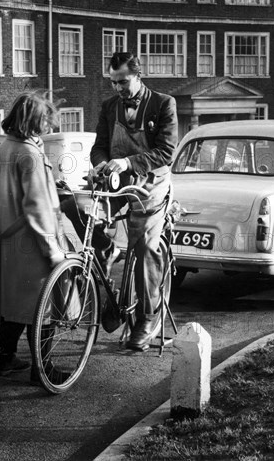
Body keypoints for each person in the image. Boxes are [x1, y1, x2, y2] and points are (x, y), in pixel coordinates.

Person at [62, 52, 178, 350]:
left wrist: (127, 162)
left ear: (138, 76)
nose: (118, 89)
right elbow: (99, 147)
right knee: (74, 205)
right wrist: (101, 163)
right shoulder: (109, 105)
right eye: (113, 83)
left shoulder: (163, 104)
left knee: (144, 250)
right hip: (114, 182)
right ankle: (106, 248)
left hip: (150, 187)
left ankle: (146, 320)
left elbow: (166, 152)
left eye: (123, 82)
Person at [0, 91, 66, 381]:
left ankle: (6, 358)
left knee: (13, 305)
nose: (48, 128)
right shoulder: (30, 154)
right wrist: (52, 249)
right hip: (32, 240)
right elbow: (37, 205)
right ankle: (43, 369)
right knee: (43, 306)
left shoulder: (4, 149)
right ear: (34, 121)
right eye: (46, 121)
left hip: (10, 237)